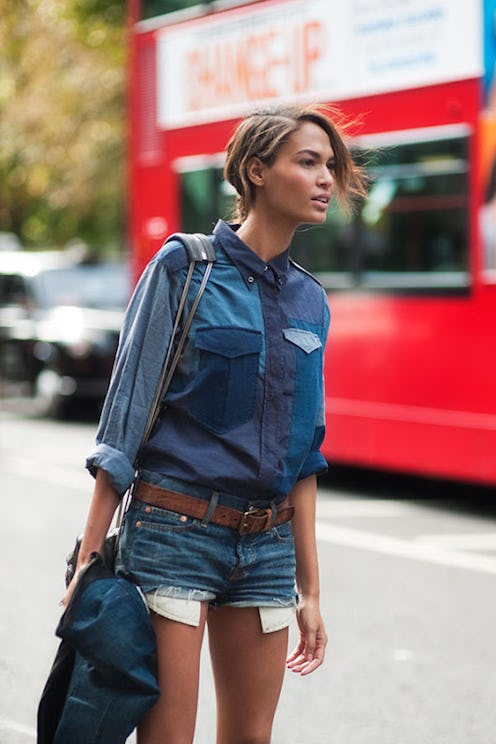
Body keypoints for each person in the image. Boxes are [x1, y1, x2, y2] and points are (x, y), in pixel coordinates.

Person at [62, 103, 366, 744]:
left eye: (329, 167)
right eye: (307, 162)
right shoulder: (184, 270)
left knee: (250, 737)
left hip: (266, 546)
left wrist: (311, 590)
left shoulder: (310, 298)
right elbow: (123, 424)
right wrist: (89, 562)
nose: (325, 180)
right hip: (174, 528)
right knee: (170, 737)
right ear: (256, 171)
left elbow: (305, 453)